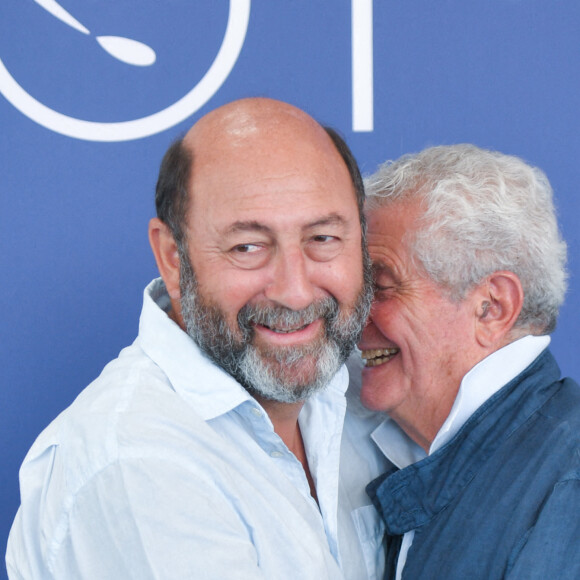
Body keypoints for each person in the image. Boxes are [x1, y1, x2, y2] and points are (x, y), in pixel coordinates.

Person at [6, 98, 389, 579]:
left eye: (322, 238)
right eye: (247, 247)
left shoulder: (359, 390)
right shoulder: (139, 461)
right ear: (171, 257)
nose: (294, 291)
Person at [358, 144, 580, 579]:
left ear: (491, 307)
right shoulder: (417, 451)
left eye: (380, 287)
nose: (350, 318)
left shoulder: (566, 490)